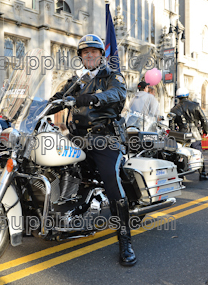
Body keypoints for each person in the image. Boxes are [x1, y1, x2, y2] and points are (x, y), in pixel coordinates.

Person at [48, 34, 135, 266]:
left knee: (110, 181)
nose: (89, 55)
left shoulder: (111, 76)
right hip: (77, 138)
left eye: (93, 52)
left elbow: (117, 94)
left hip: (105, 139)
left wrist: (92, 98)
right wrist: (38, 105)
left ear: (100, 55)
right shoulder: (77, 81)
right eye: (85, 52)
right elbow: (57, 98)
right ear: (81, 57)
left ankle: (125, 239)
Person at [170, 87, 208, 180]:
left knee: (182, 154)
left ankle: (181, 173)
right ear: (187, 96)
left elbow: (171, 125)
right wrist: (205, 130)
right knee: (198, 153)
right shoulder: (195, 105)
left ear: (178, 97)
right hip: (195, 133)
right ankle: (202, 173)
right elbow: (203, 119)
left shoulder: (174, 109)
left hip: (182, 134)